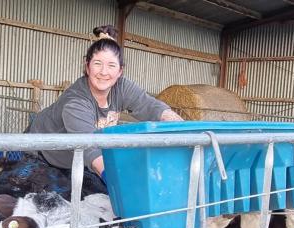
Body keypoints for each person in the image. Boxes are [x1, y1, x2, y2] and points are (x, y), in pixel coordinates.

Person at [27, 25, 183, 182]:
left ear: (120, 71)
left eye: (111, 65)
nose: (104, 72)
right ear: (87, 66)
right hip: (40, 156)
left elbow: (150, 106)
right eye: (97, 63)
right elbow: (91, 150)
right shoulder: (76, 102)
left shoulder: (121, 86)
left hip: (76, 162)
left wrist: (181, 127)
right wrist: (122, 184)